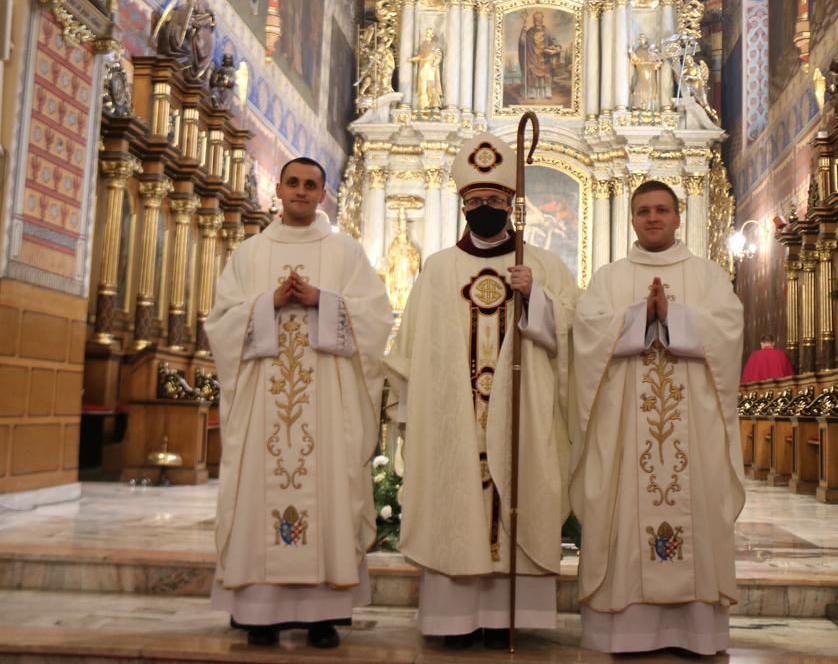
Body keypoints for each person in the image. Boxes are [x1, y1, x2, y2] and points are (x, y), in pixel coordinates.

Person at [384, 133, 579, 650]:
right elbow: (412, 351)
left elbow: (578, 334)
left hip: (523, 420)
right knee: (457, 503)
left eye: (495, 199)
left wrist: (537, 298)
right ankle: (454, 619)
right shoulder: (437, 269)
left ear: (513, 205)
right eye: (476, 201)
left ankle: (505, 618)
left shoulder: (544, 266)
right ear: (462, 205)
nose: (485, 209)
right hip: (453, 422)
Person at [206, 157, 393, 648]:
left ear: (322, 194)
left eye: (311, 185)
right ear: (279, 188)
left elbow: (377, 318)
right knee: (257, 493)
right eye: (293, 182)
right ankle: (260, 615)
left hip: (327, 408)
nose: (301, 191)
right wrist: (266, 303)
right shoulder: (250, 253)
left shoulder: (345, 252)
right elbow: (220, 322)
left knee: (329, 491)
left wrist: (322, 301)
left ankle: (322, 615)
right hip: (261, 407)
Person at [571, 180, 745, 655]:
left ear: (677, 216)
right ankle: (626, 632)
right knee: (623, 512)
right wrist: (636, 318)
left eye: (661, 210)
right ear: (632, 218)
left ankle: (695, 632)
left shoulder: (708, 275)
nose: (652, 218)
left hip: (696, 430)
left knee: (698, 511)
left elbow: (730, 330)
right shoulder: (609, 278)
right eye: (644, 210)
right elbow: (585, 333)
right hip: (625, 430)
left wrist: (674, 317)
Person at [518, 11, 562, 100]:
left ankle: (547, 92)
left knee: (546, 76)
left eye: (539, 20)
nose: (537, 22)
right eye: (535, 20)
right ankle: (532, 93)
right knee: (532, 75)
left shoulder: (547, 32)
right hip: (532, 57)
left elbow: (556, 42)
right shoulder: (529, 32)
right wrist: (523, 32)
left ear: (542, 20)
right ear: (533, 20)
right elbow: (523, 43)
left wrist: (556, 48)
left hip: (544, 58)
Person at [410, 29, 444, 110]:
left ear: (432, 35)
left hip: (430, 67)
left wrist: (435, 63)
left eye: (429, 33)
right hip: (423, 67)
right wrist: (412, 59)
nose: (427, 34)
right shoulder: (423, 45)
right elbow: (421, 56)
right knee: (423, 86)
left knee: (431, 85)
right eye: (427, 33)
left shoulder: (434, 45)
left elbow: (438, 54)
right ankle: (424, 105)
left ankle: (435, 104)